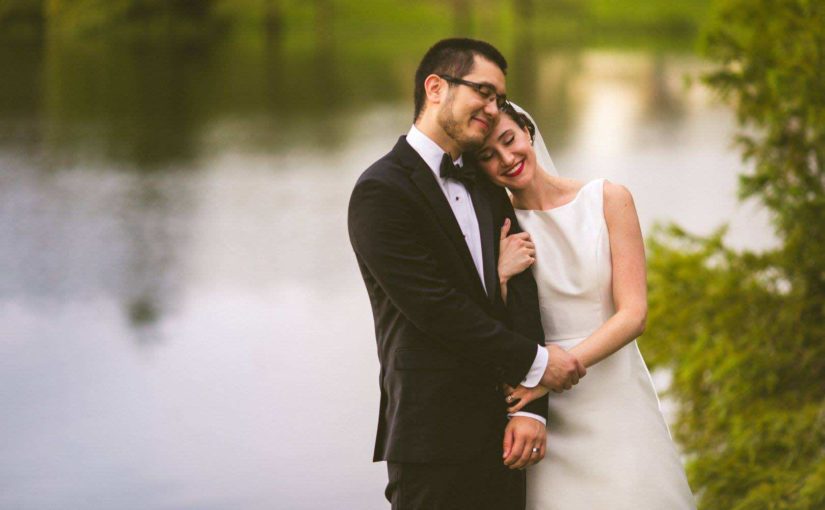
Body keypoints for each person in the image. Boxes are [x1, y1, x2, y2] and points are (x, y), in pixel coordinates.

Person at [347, 39, 585, 510]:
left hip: (506, 433)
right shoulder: (381, 191)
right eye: (484, 91)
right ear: (436, 88)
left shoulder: (484, 182)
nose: (494, 108)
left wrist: (533, 410)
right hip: (430, 437)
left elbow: (522, 293)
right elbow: (434, 308)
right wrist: (539, 365)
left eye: (499, 98)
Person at [473, 102, 696, 509]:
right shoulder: (496, 230)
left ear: (527, 131)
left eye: (509, 140)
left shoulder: (609, 198)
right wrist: (500, 275)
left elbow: (634, 314)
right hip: (546, 415)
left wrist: (551, 372)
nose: (507, 159)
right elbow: (491, 326)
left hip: (614, 394)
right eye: (487, 156)